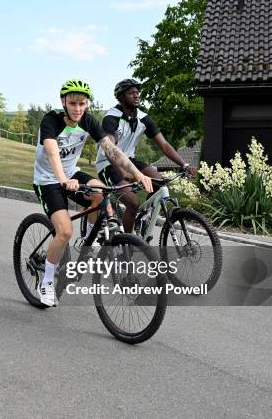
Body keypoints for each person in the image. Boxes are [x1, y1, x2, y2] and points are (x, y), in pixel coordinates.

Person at [33, 79, 153, 307]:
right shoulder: (51, 120)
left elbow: (112, 150)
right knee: (64, 231)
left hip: (71, 174)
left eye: (82, 103)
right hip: (48, 180)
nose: (78, 108)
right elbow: (52, 152)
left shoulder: (87, 120)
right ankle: (47, 282)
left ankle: (88, 240)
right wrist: (62, 180)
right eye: (73, 103)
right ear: (64, 102)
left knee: (100, 191)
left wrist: (138, 174)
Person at [95, 79, 197, 233]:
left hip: (130, 160)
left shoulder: (143, 118)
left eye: (137, 92)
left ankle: (142, 217)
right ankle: (126, 244)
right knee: (133, 202)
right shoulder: (111, 118)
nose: (136, 96)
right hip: (108, 164)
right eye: (131, 93)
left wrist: (185, 165)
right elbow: (110, 150)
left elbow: (164, 145)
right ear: (121, 97)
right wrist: (123, 173)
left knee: (158, 182)